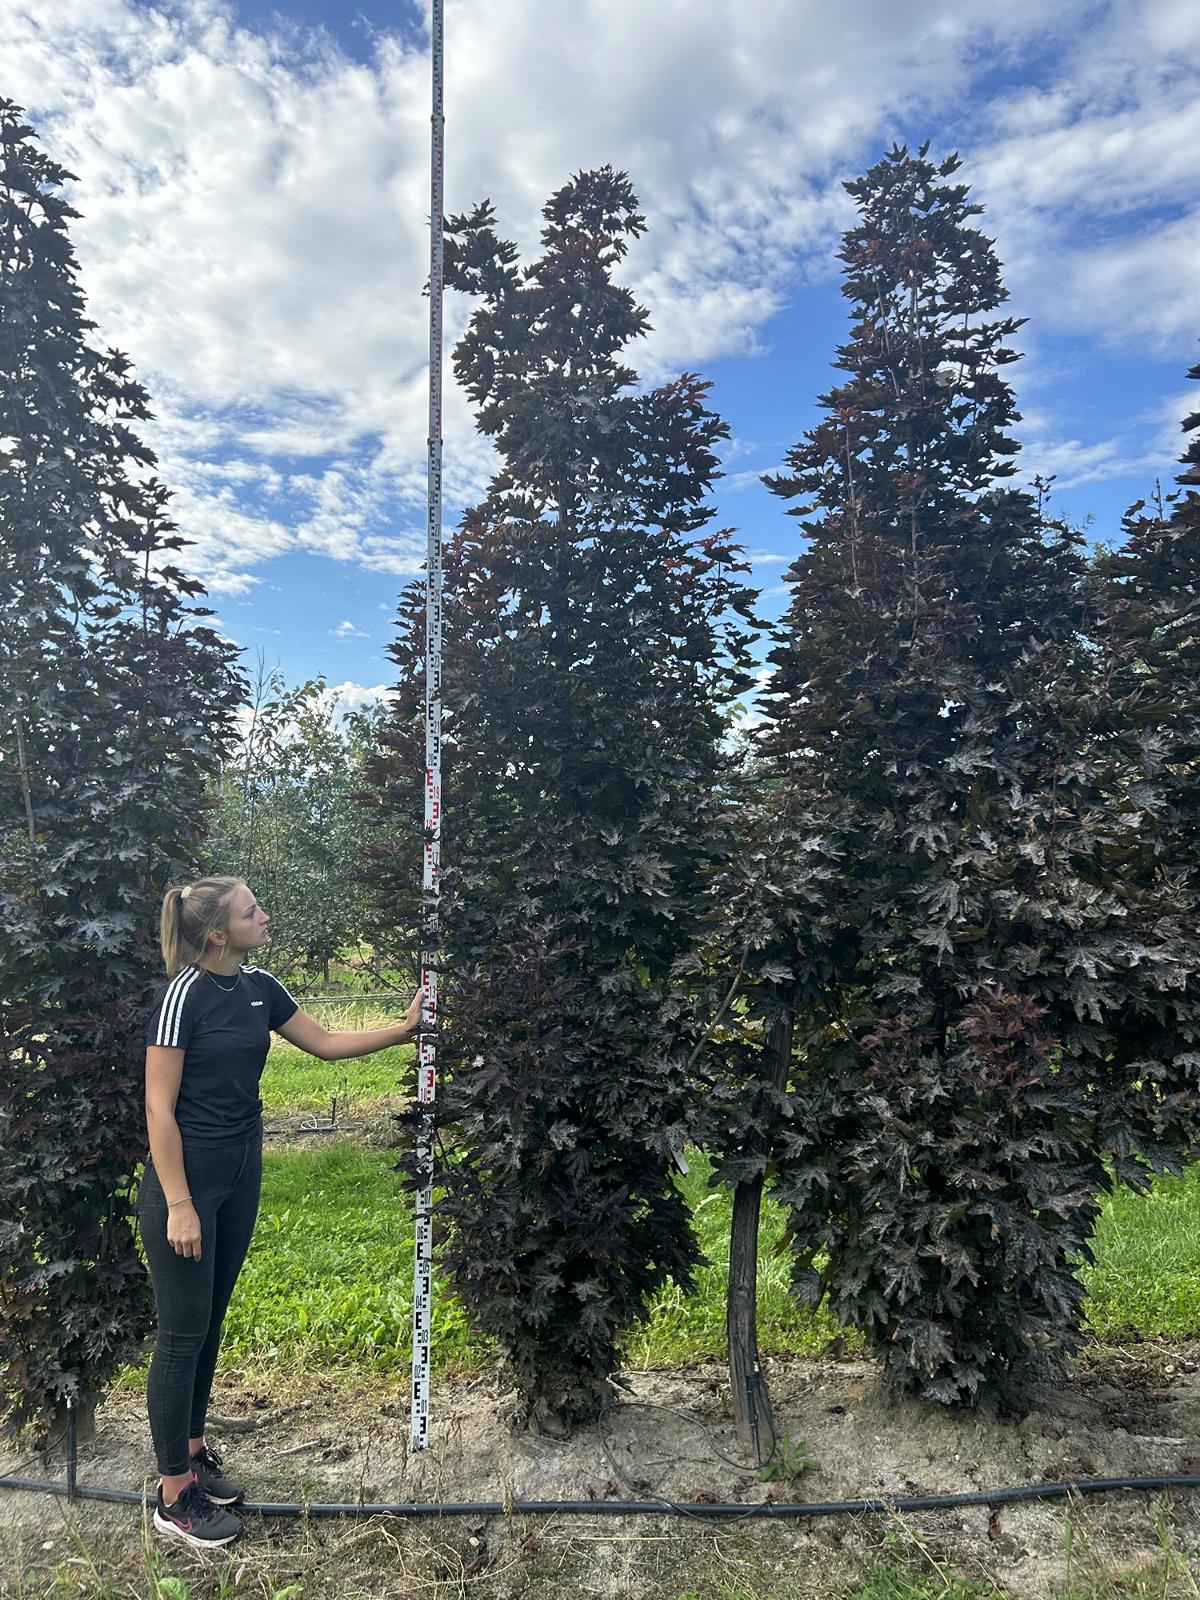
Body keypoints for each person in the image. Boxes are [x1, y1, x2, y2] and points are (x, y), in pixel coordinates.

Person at [138, 876, 421, 1549]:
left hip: (242, 1167)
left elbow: (323, 1042)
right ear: (216, 933)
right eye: (251, 910)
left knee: (209, 1321)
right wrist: (179, 1203)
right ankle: (174, 1494)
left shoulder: (259, 985)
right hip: (189, 1179)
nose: (264, 915)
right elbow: (158, 1109)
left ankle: (196, 1454)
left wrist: (405, 1032)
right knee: (181, 1334)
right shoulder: (181, 998)